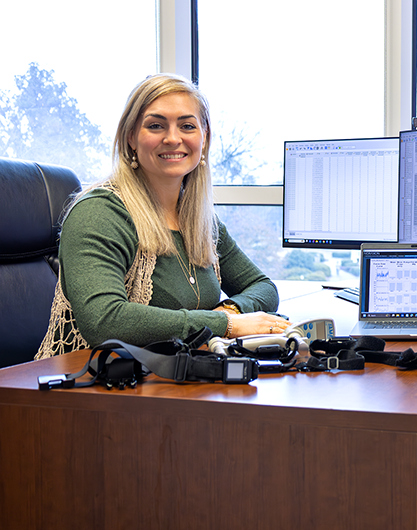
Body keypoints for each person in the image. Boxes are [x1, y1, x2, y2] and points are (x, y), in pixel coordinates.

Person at [36, 73, 290, 358]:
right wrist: (224, 324)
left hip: (172, 377)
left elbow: (264, 288)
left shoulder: (199, 220)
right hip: (86, 387)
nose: (173, 138)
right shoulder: (99, 213)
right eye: (156, 125)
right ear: (131, 137)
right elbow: (103, 322)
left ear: (204, 138)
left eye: (187, 126)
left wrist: (230, 310)